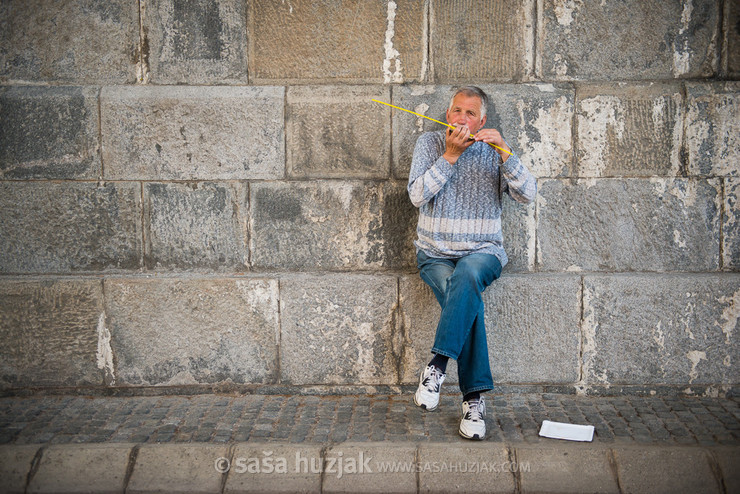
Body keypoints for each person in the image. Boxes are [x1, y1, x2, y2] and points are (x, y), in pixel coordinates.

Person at [408, 86, 537, 440]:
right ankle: (473, 401)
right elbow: (417, 195)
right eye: (456, 111)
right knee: (466, 301)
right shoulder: (429, 144)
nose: (462, 119)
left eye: (470, 114)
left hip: (484, 252)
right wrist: (449, 157)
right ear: (447, 115)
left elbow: (527, 195)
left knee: (466, 274)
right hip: (434, 253)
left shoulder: (495, 150)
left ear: (482, 120)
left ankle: (436, 366)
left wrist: (507, 155)